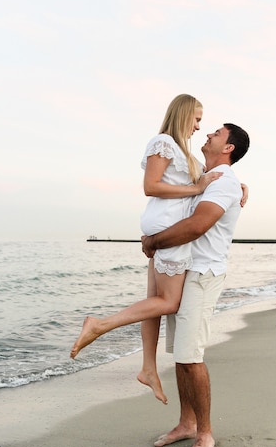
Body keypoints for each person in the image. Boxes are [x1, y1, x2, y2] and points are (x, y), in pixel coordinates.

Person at [70, 94, 222, 405]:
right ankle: (100, 325)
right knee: (169, 301)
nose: (198, 126)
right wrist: (196, 187)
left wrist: (235, 186)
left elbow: (206, 178)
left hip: (163, 228)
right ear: (182, 115)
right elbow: (150, 186)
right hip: (168, 229)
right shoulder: (163, 142)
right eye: (196, 119)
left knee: (155, 300)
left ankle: (148, 368)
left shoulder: (181, 151)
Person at [141, 122, 250, 447]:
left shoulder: (225, 182)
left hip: (202, 274)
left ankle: (205, 432)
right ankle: (186, 423)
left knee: (191, 356)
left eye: (216, 133)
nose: (207, 135)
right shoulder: (207, 177)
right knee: (181, 355)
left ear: (228, 147)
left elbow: (197, 225)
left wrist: (153, 242)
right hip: (184, 269)